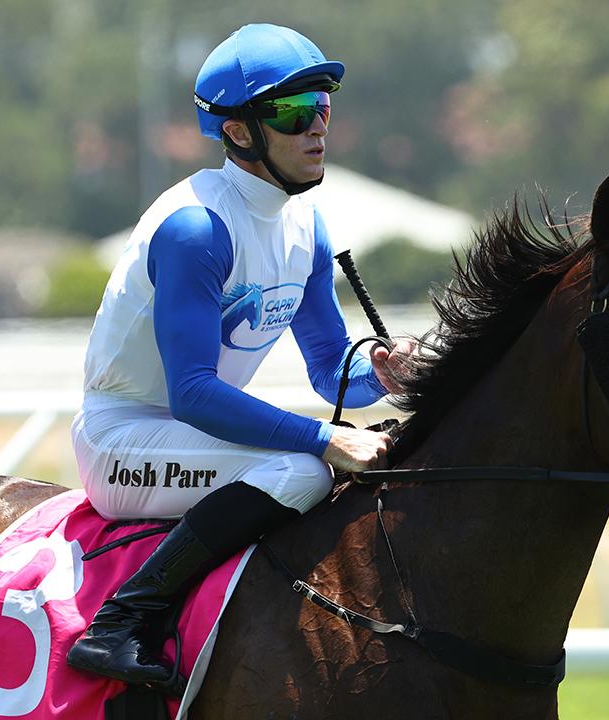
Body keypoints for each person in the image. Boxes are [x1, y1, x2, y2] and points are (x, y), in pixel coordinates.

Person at [66, 23, 416, 685]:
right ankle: (119, 622)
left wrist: (387, 372)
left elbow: (328, 369)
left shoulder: (305, 224)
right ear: (237, 131)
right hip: (124, 442)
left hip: (186, 435)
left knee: (328, 455)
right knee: (309, 470)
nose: (315, 129)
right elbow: (192, 393)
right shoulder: (197, 228)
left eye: (322, 110)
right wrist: (322, 439)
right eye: (292, 113)